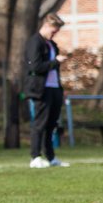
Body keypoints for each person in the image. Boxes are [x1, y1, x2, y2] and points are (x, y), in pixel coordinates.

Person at [24, 13, 68, 168]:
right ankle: (35, 157)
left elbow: (54, 70)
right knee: (39, 124)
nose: (54, 34)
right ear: (47, 25)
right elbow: (35, 67)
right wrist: (55, 61)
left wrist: (61, 89)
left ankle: (51, 157)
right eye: (54, 31)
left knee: (51, 124)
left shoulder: (52, 45)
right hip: (40, 89)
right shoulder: (35, 42)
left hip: (54, 88)